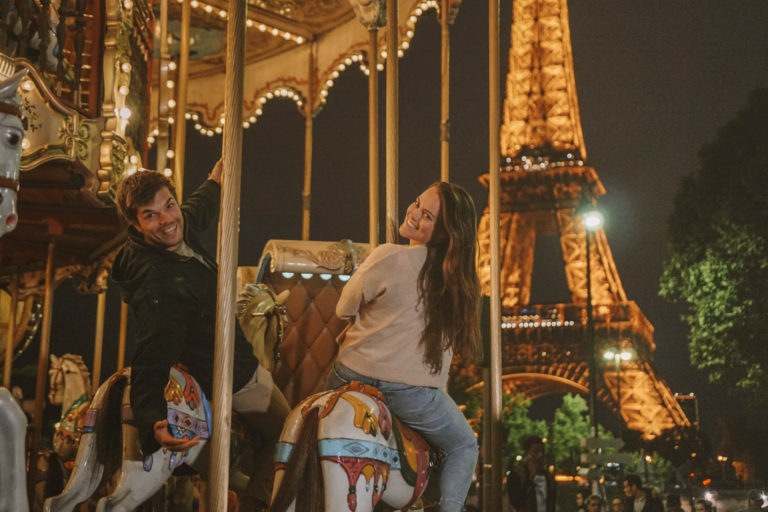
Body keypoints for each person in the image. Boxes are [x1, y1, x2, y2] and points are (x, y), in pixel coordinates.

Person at [112, 162, 290, 509]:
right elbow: (151, 351)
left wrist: (215, 182)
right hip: (229, 372)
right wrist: (150, 421)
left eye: (169, 206)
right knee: (288, 432)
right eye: (151, 216)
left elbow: (196, 211)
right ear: (135, 224)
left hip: (216, 360)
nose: (166, 220)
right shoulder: (158, 280)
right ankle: (255, 503)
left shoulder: (175, 234)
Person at [326, 182, 481, 512]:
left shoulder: (387, 255)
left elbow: (343, 309)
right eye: (416, 204)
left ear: (443, 232)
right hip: (412, 392)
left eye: (426, 215)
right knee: (464, 445)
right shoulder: (459, 282)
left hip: (350, 374)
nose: (413, 214)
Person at [506, 435, 556, 512]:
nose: (540, 455)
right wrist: (531, 477)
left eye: (542, 451)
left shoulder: (549, 478)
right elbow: (517, 503)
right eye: (535, 451)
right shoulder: (516, 476)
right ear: (527, 454)